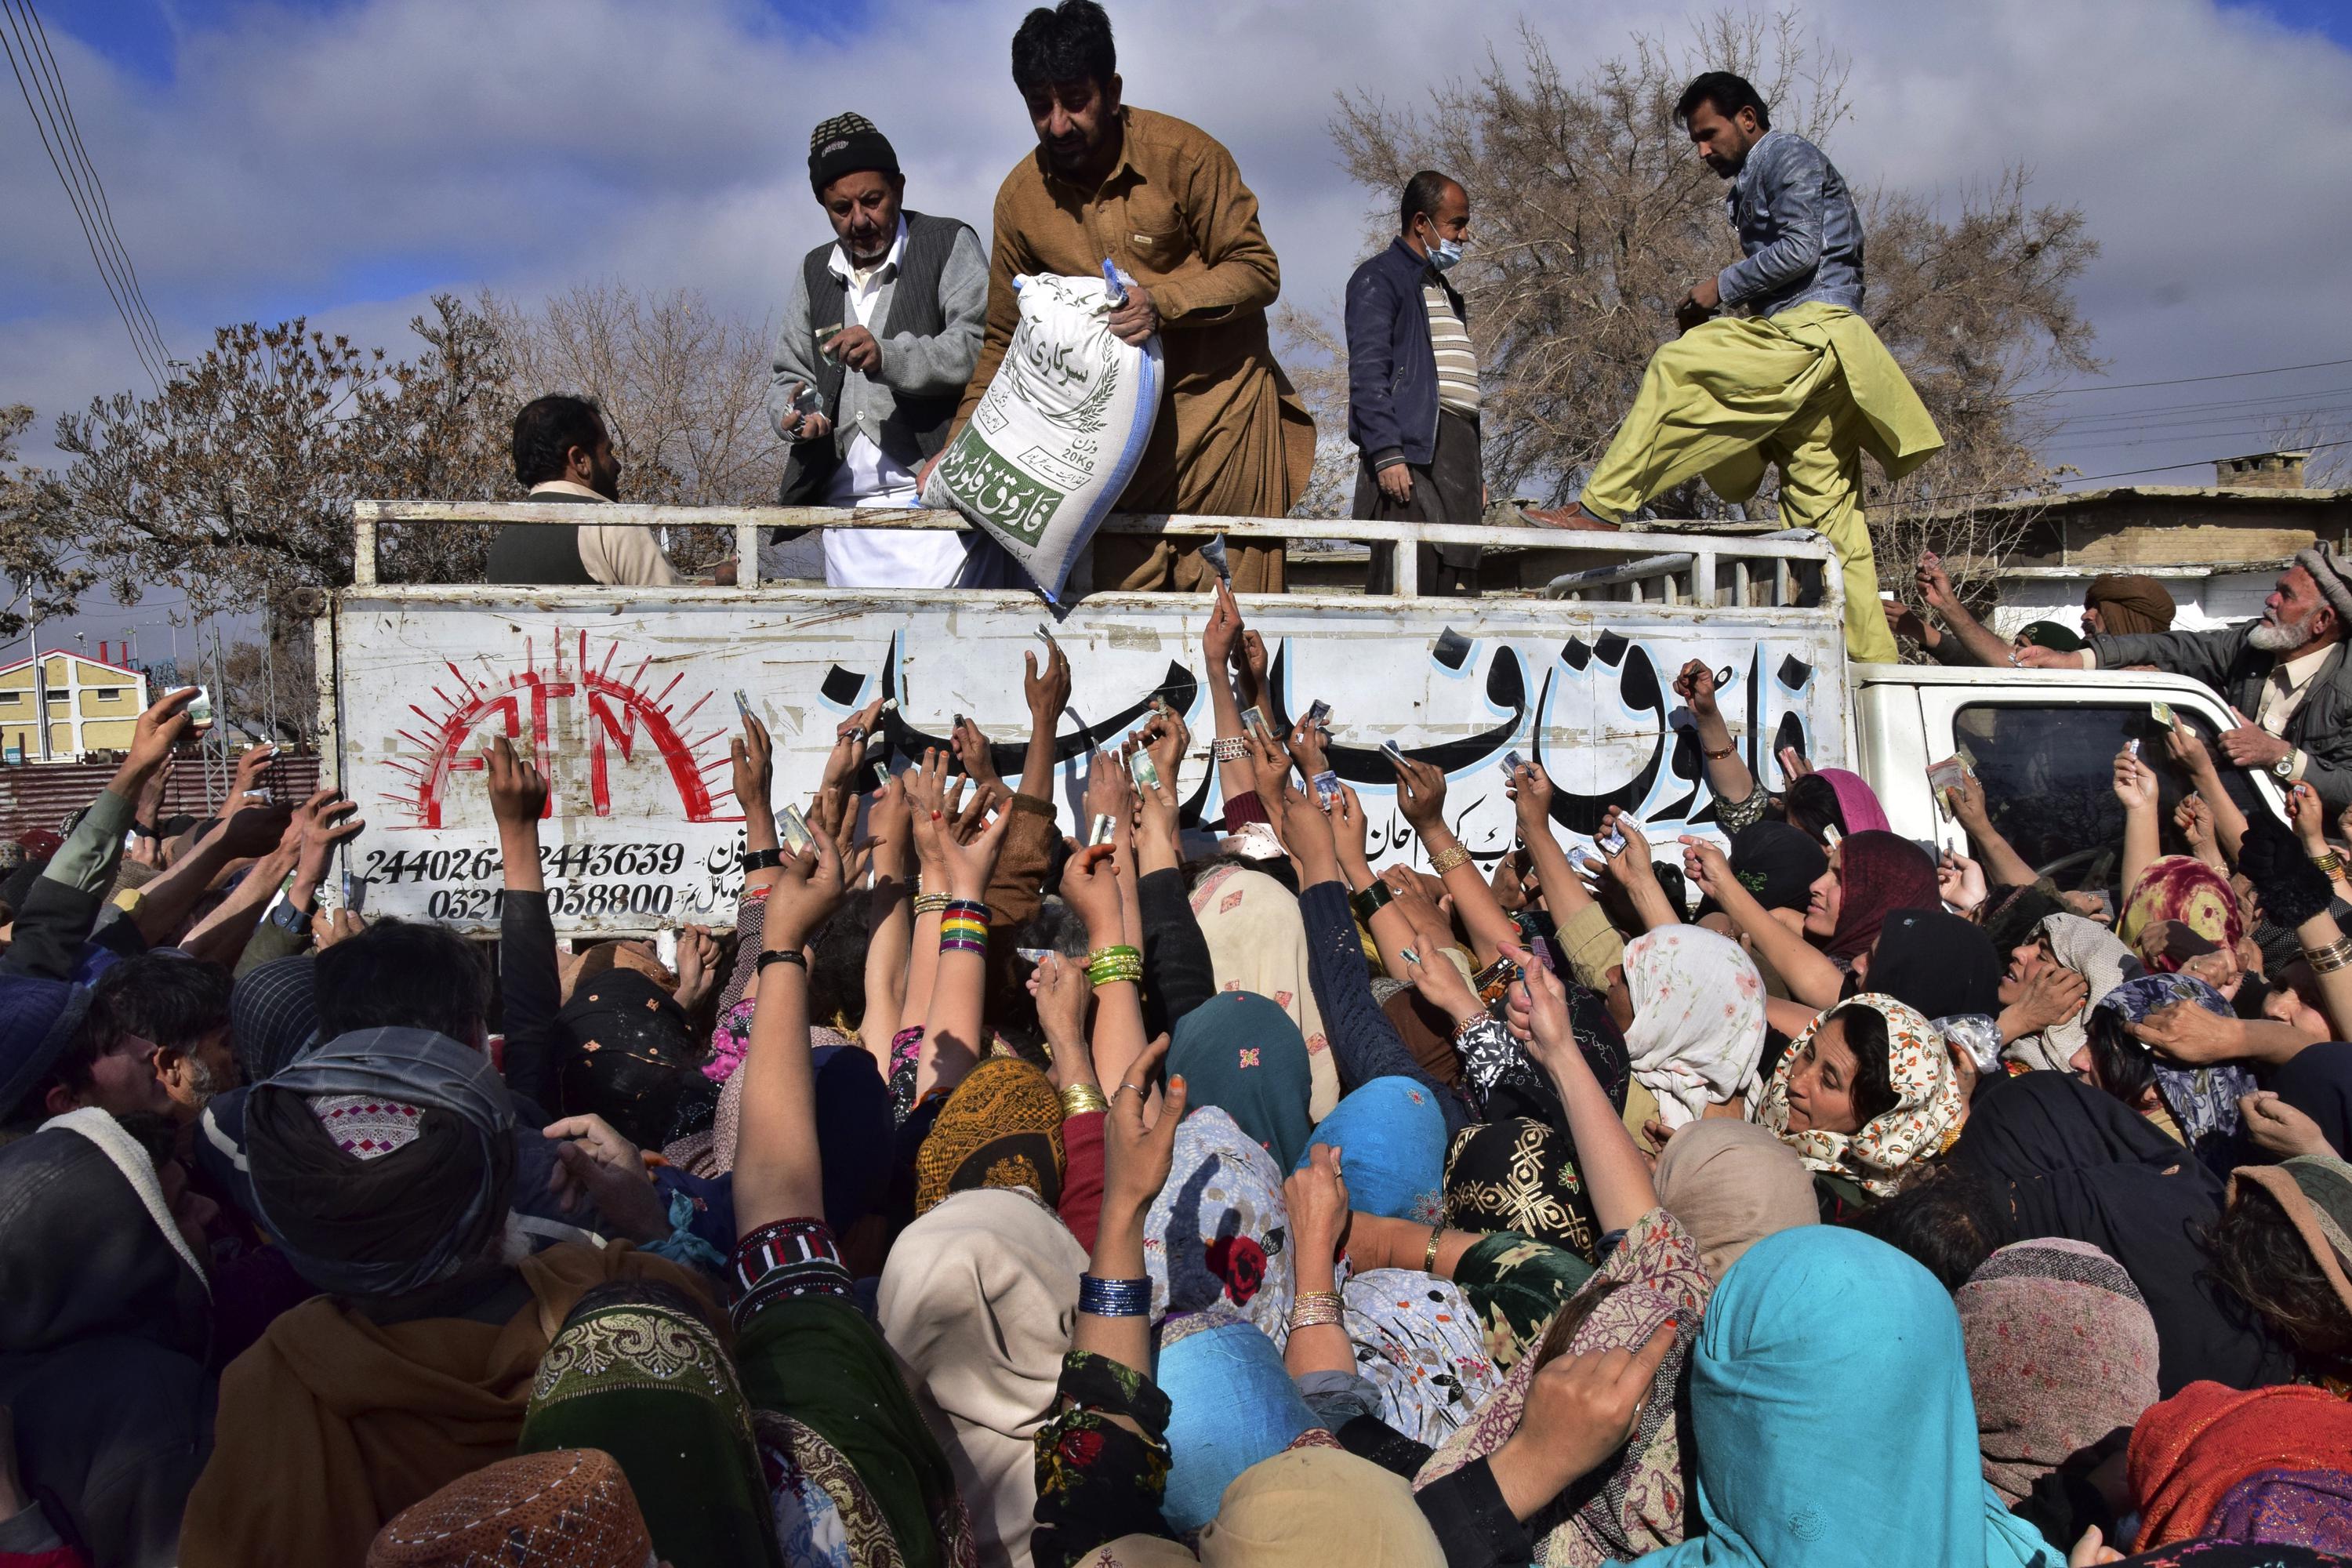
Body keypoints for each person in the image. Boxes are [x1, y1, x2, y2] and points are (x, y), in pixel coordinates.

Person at [1533, 72, 1941, 664]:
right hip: (1827, 360)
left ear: (1747, 118)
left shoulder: (1786, 155)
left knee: (1679, 364)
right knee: (1829, 535)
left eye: (1709, 134)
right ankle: (1874, 683)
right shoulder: (1756, 175)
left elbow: (1803, 250)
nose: (1703, 151)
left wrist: (1716, 288)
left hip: (1811, 337)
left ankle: (1601, 508)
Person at [954, 0, 1315, 593]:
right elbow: (1002, 339)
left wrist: (1162, 304)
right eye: (1039, 106)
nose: (1058, 123)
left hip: (1225, 422)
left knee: (1240, 638)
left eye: (1075, 100)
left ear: (1112, 89)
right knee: (1125, 654)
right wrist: (958, 447)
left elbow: (1258, 269)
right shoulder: (1018, 200)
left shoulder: (1188, 157)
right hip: (1111, 462)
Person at [768, 112, 992, 588]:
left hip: (936, 507)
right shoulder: (814, 271)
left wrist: (889, 356)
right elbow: (790, 373)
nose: (860, 221)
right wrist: (793, 413)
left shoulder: (947, 243)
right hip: (846, 519)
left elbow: (980, 347)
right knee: (865, 658)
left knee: (939, 649)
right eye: (841, 209)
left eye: (873, 201)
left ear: (900, 188)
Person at [2020, 548, 2352, 810]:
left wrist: (2279, 755)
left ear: (2321, 621)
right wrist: (2075, 660)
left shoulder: (2346, 685)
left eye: (2286, 595)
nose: (2270, 600)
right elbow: (2177, 647)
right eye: (2275, 590)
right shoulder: (2250, 645)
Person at [1345, 170, 1488, 597]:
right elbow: (1369, 374)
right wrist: (1388, 454)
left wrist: (1474, 472)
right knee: (1406, 594)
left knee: (1450, 603)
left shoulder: (1443, 291)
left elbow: (1454, 389)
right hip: (1411, 464)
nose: (1465, 235)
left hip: (1453, 459)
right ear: (1421, 223)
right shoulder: (1379, 278)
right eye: (1456, 224)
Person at [486, 394, 686, 587]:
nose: (617, 466)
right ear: (580, 460)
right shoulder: (614, 527)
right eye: (608, 452)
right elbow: (682, 615)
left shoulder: (499, 549)